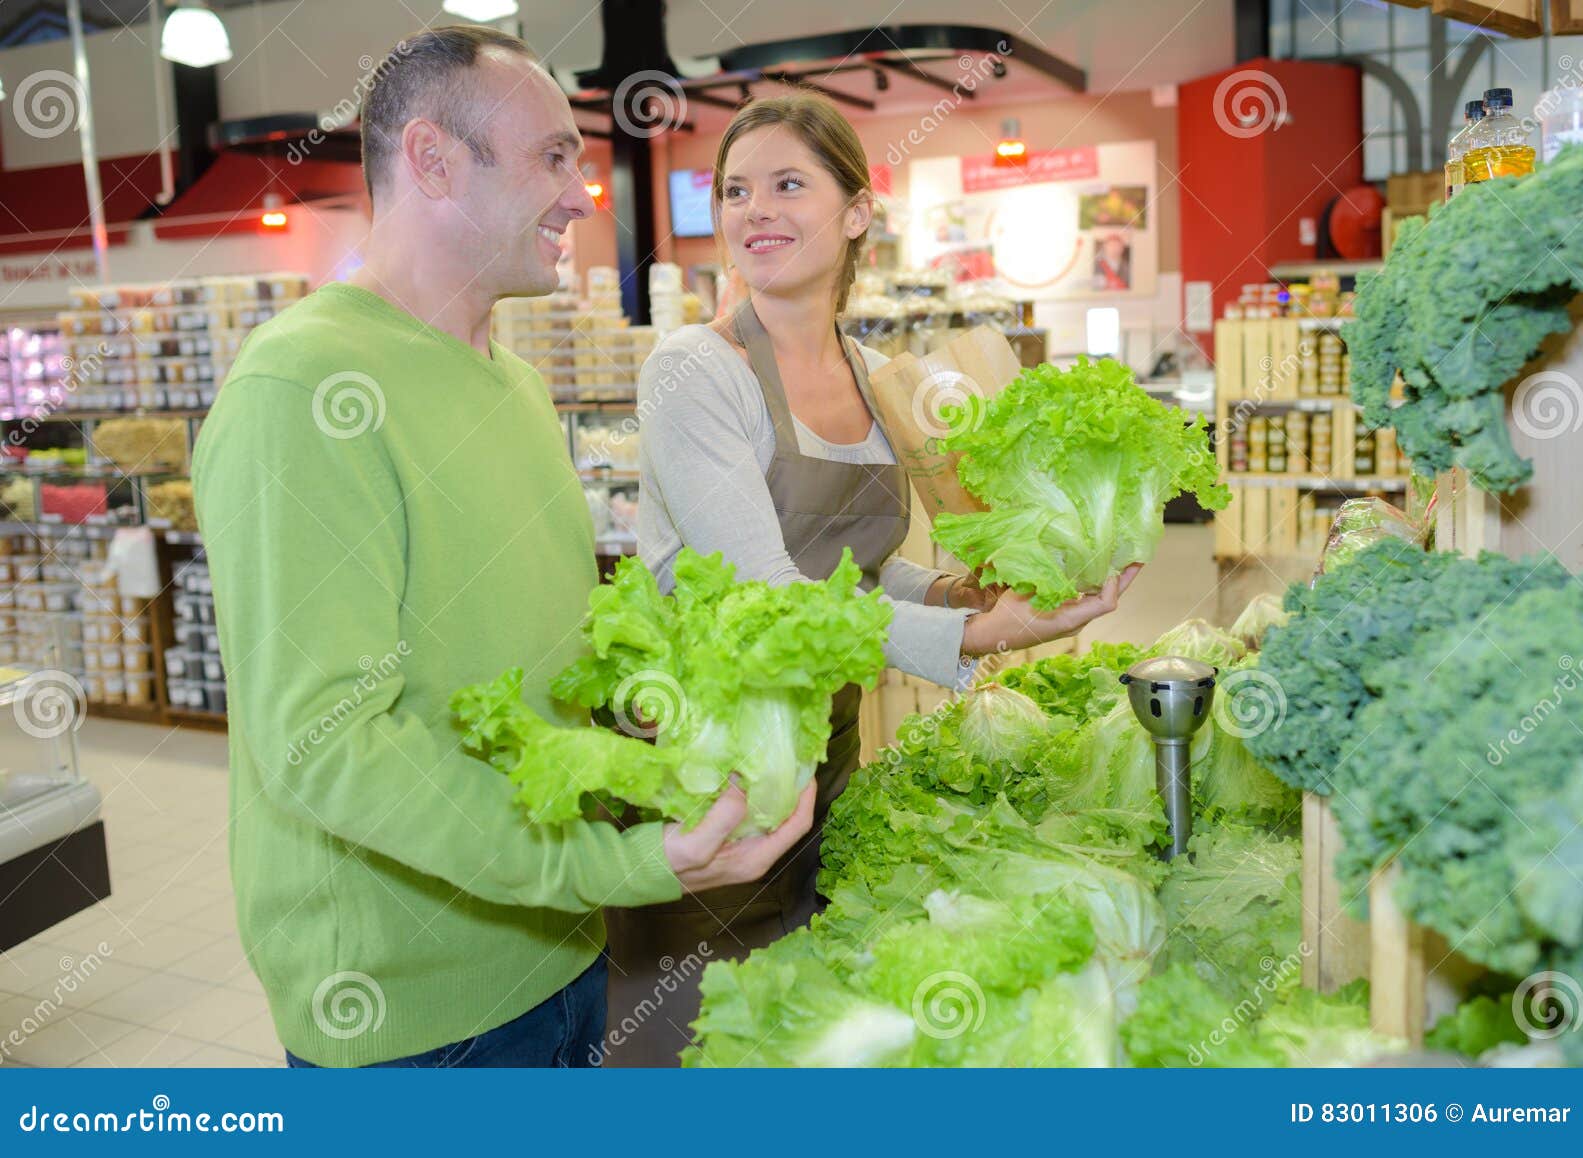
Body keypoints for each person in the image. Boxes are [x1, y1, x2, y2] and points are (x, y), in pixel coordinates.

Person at [191, 26, 814, 1070]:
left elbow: (545, 655)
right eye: (551, 156)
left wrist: (668, 725)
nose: (579, 192)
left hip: (564, 950)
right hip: (416, 1019)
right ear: (432, 160)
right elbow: (327, 743)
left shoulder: (515, 381)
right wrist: (625, 864)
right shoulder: (300, 391)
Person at [610, 92, 1139, 1066]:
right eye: (735, 190)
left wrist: (947, 592)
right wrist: (963, 640)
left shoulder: (873, 373)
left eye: (786, 184)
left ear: (858, 211)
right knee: (699, 1036)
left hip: (824, 742)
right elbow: (766, 589)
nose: (754, 209)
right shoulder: (696, 369)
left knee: (801, 1013)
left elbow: (849, 563)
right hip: (708, 756)